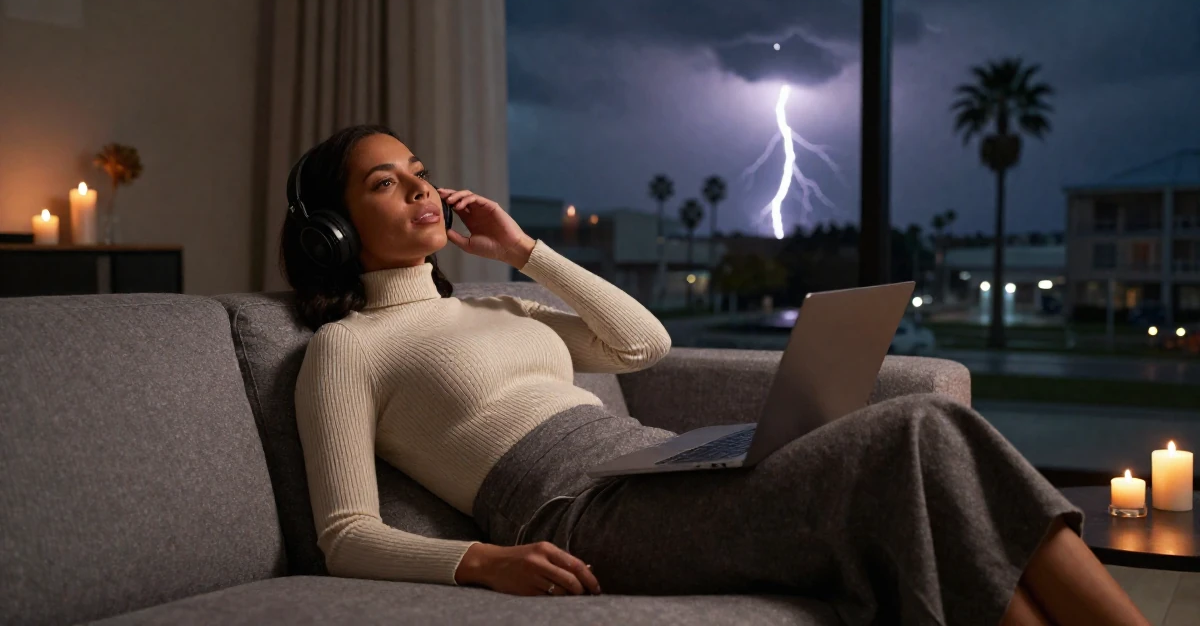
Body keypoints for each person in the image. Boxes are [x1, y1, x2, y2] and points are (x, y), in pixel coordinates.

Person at [280, 125, 1147, 626]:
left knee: (927, 461)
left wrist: (525, 252)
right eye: (387, 184)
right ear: (334, 228)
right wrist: (485, 562)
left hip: (663, 464)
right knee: (925, 424)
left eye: (421, 174)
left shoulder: (502, 301)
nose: (422, 192)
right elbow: (344, 534)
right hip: (577, 512)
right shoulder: (348, 348)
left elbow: (642, 346)